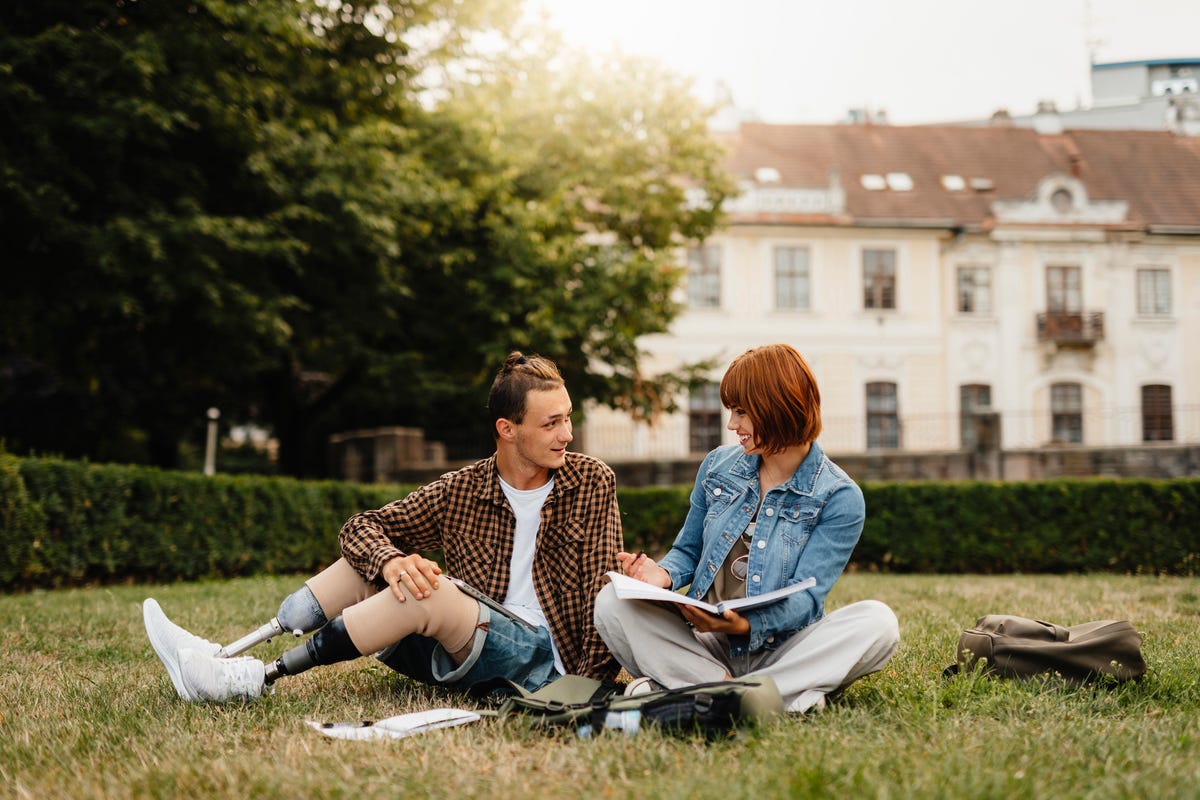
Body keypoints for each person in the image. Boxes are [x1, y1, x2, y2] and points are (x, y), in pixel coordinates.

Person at [144, 351, 622, 703]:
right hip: (466, 642)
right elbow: (360, 527)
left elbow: (604, 596)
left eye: (568, 419)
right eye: (552, 423)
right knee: (368, 567)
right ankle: (224, 657)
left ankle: (253, 680)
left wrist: (580, 691)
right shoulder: (461, 489)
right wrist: (391, 561)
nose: (567, 434)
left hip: (543, 663)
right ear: (507, 429)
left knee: (425, 588)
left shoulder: (591, 481)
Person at [593, 344, 899, 713]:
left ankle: (701, 694)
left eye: (741, 412)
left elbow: (806, 600)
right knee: (611, 602)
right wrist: (660, 574)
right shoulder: (717, 467)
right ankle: (763, 697)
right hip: (707, 643)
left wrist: (744, 626)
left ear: (776, 407)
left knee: (878, 622)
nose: (731, 425)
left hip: (785, 645)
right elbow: (687, 552)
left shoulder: (838, 496)